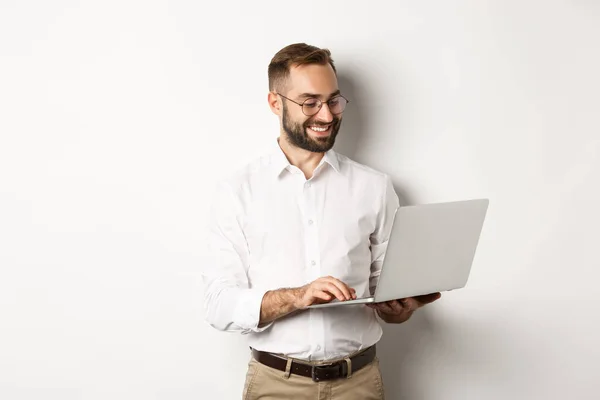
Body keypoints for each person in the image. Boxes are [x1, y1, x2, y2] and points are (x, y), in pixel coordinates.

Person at [202, 43, 441, 400]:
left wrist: (399, 308)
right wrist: (297, 297)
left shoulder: (374, 187)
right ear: (275, 103)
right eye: (309, 102)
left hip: (358, 384)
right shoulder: (238, 192)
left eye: (333, 100)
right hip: (275, 385)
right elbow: (218, 304)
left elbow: (384, 288)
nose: (327, 116)